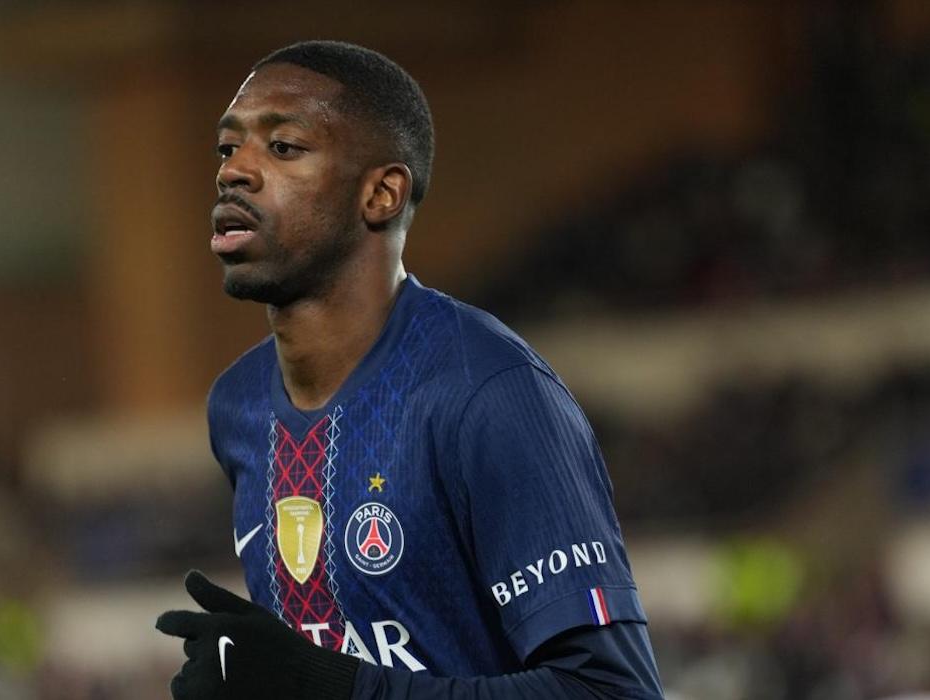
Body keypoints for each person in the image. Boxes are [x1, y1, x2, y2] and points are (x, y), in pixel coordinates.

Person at [156, 40, 664, 699]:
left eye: (282, 147)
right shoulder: (238, 405)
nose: (234, 172)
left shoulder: (487, 392)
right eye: (227, 148)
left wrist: (325, 685)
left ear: (381, 194)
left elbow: (612, 691)